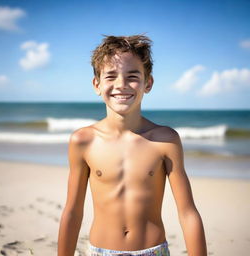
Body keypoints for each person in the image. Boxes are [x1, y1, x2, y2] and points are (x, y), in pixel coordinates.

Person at [57, 35, 207, 256]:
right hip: (101, 252)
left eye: (132, 76)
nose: (121, 85)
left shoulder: (165, 140)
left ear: (148, 83)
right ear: (97, 84)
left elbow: (188, 213)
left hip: (153, 251)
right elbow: (72, 212)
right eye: (111, 76)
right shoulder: (83, 141)